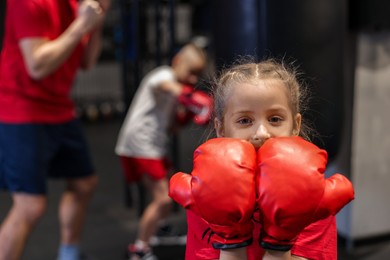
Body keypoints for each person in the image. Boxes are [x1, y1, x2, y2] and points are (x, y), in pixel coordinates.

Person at [169, 59, 355, 260]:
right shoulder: (206, 189)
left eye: (275, 119)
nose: (261, 133)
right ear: (220, 128)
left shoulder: (311, 190)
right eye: (245, 121)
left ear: (296, 124)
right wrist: (230, 239)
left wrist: (280, 241)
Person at [0, 0, 110, 259]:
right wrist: (82, 24)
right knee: (30, 206)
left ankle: (68, 255)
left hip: (59, 107)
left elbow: (87, 62)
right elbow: (37, 66)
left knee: (84, 184)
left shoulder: (78, 5)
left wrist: (98, 21)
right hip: (21, 108)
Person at [115, 43, 209, 260]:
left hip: (152, 146)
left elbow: (172, 127)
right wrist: (194, 100)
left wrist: (185, 116)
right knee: (163, 199)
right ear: (177, 62)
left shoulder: (178, 92)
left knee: (170, 185)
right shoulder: (163, 75)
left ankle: (159, 227)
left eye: (198, 75)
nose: (194, 79)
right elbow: (168, 87)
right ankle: (139, 248)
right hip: (140, 145)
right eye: (191, 72)